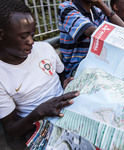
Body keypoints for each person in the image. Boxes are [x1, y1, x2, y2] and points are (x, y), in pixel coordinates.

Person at [0, 0, 79, 149]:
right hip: (38, 125)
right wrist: (40, 112)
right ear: (1, 34)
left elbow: (61, 76)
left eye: (32, 34)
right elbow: (11, 130)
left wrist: (66, 83)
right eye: (23, 36)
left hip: (69, 110)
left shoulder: (45, 49)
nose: (31, 41)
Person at [58, 0, 124, 78]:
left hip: (99, 64)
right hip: (77, 69)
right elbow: (91, 31)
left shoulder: (97, 11)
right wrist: (121, 35)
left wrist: (102, 5)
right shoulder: (66, 8)